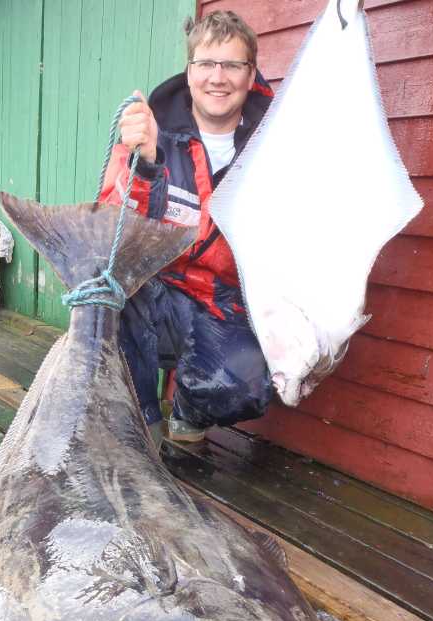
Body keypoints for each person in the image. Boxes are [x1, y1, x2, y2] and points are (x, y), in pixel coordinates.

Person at [100, 11, 274, 446]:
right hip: (150, 294)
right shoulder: (149, 129)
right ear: (189, 70)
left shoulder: (273, 145)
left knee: (247, 387)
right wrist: (146, 164)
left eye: (233, 65)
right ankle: (139, 428)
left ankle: (188, 411)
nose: (219, 77)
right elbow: (113, 229)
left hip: (220, 300)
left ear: (251, 74)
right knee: (107, 296)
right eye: (206, 64)